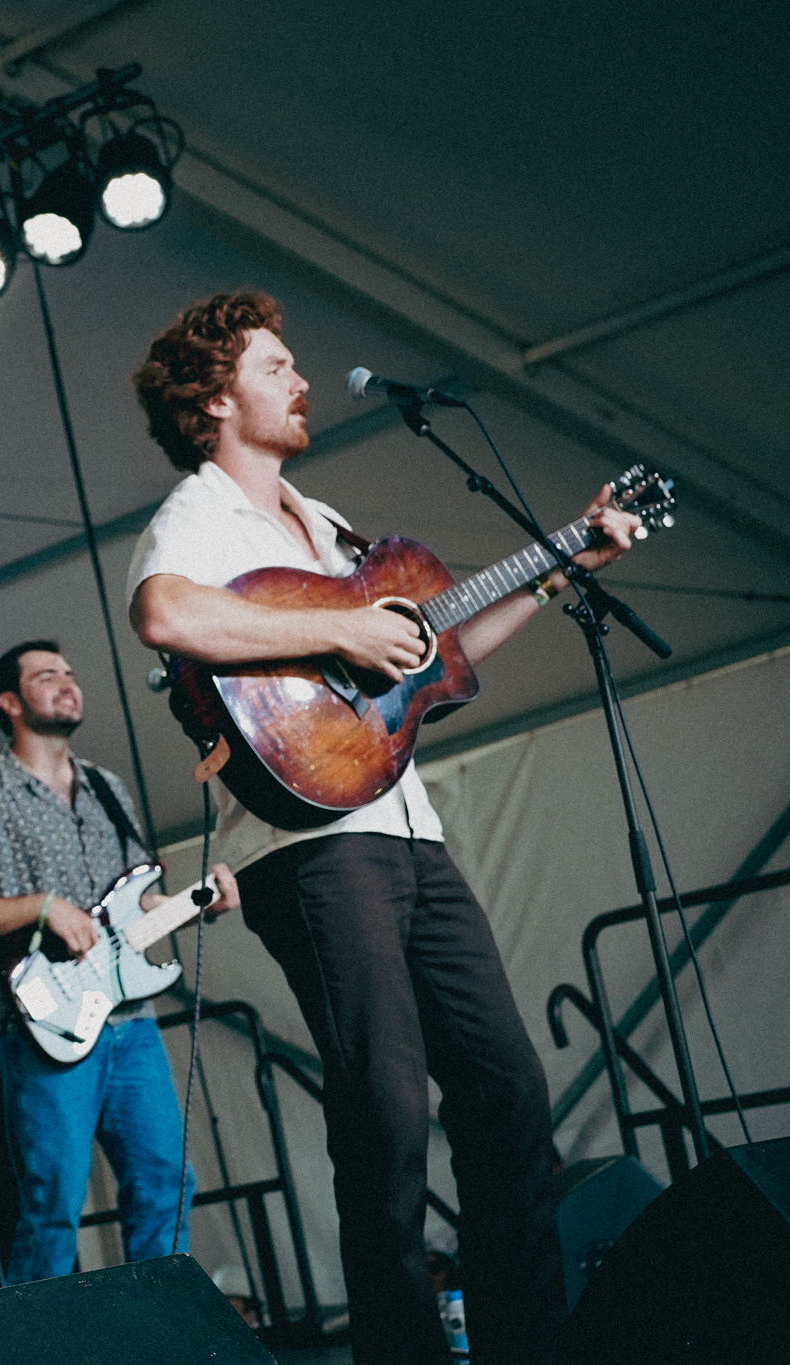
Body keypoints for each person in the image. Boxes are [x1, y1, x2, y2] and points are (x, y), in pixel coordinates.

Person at [125, 291, 640, 1364]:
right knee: (386, 1113)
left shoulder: (327, 525)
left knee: (504, 1088)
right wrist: (342, 627)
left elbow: (439, 658)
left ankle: (525, 1343)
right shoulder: (197, 516)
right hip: (304, 847)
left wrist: (562, 565)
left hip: (406, 834)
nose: (299, 380)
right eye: (275, 367)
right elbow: (165, 616)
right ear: (215, 399)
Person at [0, 641, 239, 1283]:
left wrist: (195, 902)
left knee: (167, 1181)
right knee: (53, 1209)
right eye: (47, 676)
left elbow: (135, 901)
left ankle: (156, 1342)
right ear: (10, 703)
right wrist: (41, 906)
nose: (68, 684)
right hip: (40, 1026)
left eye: (70, 673)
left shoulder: (106, 786)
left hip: (131, 1021)